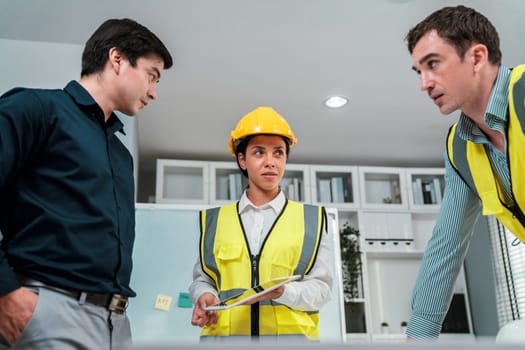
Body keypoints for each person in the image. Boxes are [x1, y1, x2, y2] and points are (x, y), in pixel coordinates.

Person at [0, 18, 172, 349]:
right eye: (152, 75)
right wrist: (5, 290)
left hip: (116, 324)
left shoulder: (121, 155)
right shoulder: (36, 110)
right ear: (118, 59)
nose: (153, 92)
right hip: (46, 311)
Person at [404, 5, 525, 341]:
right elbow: (447, 245)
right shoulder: (460, 148)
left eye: (432, 64)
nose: (424, 84)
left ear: (476, 56)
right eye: (418, 71)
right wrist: (418, 341)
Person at [189, 106, 333, 342]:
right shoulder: (215, 221)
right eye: (259, 153)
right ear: (242, 160)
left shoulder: (311, 220)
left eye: (278, 153)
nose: (270, 162)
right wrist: (204, 295)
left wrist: (285, 292)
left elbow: (323, 290)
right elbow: (202, 278)